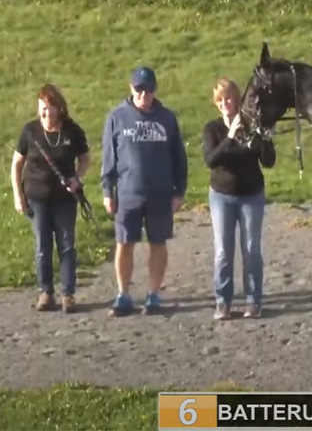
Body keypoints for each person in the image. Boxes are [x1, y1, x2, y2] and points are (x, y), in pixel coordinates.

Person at [100, 66, 188, 317]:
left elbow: (179, 157)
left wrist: (179, 191)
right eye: (139, 89)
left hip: (160, 193)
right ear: (131, 88)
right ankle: (123, 295)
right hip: (128, 193)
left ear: (154, 90)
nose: (143, 94)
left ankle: (153, 294)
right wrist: (108, 190)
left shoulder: (167, 118)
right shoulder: (117, 117)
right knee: (124, 243)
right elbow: (109, 158)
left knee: (158, 243)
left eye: (148, 89)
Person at [10, 84, 91, 313]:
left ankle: (68, 294)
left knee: (67, 245)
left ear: (59, 109)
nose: (46, 113)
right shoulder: (30, 131)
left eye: (50, 108)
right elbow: (16, 165)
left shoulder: (72, 132)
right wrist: (18, 195)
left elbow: (85, 159)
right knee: (42, 246)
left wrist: (77, 178)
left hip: (64, 198)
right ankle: (46, 292)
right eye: (42, 108)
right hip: (36, 198)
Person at [202, 77, 276, 320]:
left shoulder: (251, 125)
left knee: (252, 249)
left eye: (229, 98)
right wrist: (230, 137)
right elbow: (211, 160)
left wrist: (265, 139)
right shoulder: (212, 129)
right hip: (222, 196)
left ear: (237, 99)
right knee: (223, 251)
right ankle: (223, 303)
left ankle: (253, 301)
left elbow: (268, 161)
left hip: (251, 194)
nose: (225, 103)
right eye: (220, 100)